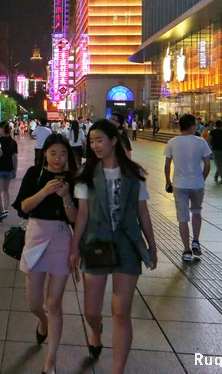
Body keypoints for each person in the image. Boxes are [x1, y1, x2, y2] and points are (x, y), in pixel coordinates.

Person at [70, 119, 157, 373]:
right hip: (95, 241)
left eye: (99, 140)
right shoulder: (86, 174)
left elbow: (143, 211)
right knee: (91, 310)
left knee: (121, 312)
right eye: (91, 141)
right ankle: (96, 331)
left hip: (127, 244)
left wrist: (151, 246)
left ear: (113, 141)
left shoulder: (134, 173)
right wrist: (74, 247)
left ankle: (117, 370)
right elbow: (82, 214)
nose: (94, 145)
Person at [12, 134, 78, 374]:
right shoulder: (34, 174)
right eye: (53, 154)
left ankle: (51, 361)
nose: (58, 159)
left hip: (61, 238)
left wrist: (66, 197)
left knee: (54, 303)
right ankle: (42, 320)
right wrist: (45, 191)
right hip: (36, 235)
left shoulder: (73, 178)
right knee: (33, 302)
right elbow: (23, 207)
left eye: (62, 154)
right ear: (45, 155)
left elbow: (75, 219)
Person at [163, 114, 211, 262]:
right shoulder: (201, 141)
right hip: (197, 184)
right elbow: (207, 165)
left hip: (179, 184)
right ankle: (196, 240)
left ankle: (187, 250)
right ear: (192, 126)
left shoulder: (172, 142)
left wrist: (168, 181)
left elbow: (167, 165)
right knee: (196, 212)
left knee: (182, 218)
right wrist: (201, 179)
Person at [0, 121, 18, 222]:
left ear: (2, 129)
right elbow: (15, 158)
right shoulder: (13, 142)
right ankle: (6, 209)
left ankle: (1, 211)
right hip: (9, 168)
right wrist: (15, 170)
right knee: (6, 190)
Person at [208, 120, 222, 185]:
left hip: (215, 150)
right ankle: (216, 176)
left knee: (218, 165)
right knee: (220, 164)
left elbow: (209, 139)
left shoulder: (212, 132)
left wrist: (211, 147)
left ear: (215, 125)